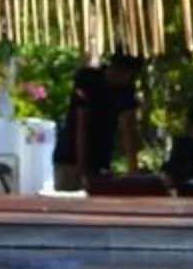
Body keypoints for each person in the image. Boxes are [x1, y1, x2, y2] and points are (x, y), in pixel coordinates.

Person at [54, 52, 141, 190]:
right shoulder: (87, 79)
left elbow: (129, 129)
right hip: (70, 159)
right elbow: (81, 124)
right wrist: (81, 168)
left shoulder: (125, 90)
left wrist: (133, 171)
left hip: (100, 163)